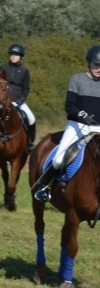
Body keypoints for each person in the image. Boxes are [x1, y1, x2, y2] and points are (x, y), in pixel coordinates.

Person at [34, 45, 100, 202]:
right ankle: (43, 186)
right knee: (58, 159)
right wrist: (81, 114)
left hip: (98, 127)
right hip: (78, 126)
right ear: (89, 63)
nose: (99, 69)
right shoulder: (77, 79)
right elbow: (69, 105)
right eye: (96, 65)